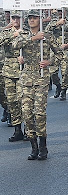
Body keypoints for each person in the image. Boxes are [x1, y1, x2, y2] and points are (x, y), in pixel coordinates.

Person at [13, 9, 63, 160]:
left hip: (41, 78)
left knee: (39, 113)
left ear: (40, 19)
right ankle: (33, 146)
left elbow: (60, 53)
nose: (32, 20)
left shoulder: (47, 36)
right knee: (27, 114)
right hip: (26, 77)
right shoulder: (23, 35)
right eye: (30, 18)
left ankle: (43, 145)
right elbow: (15, 44)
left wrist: (49, 62)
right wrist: (33, 39)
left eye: (35, 17)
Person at [0, 11, 24, 142]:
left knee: (23, 102)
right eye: (13, 18)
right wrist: (14, 34)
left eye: (18, 17)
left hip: (23, 71)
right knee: (12, 101)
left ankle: (28, 130)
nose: (15, 20)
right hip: (9, 71)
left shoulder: (27, 32)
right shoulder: (6, 32)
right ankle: (17, 129)